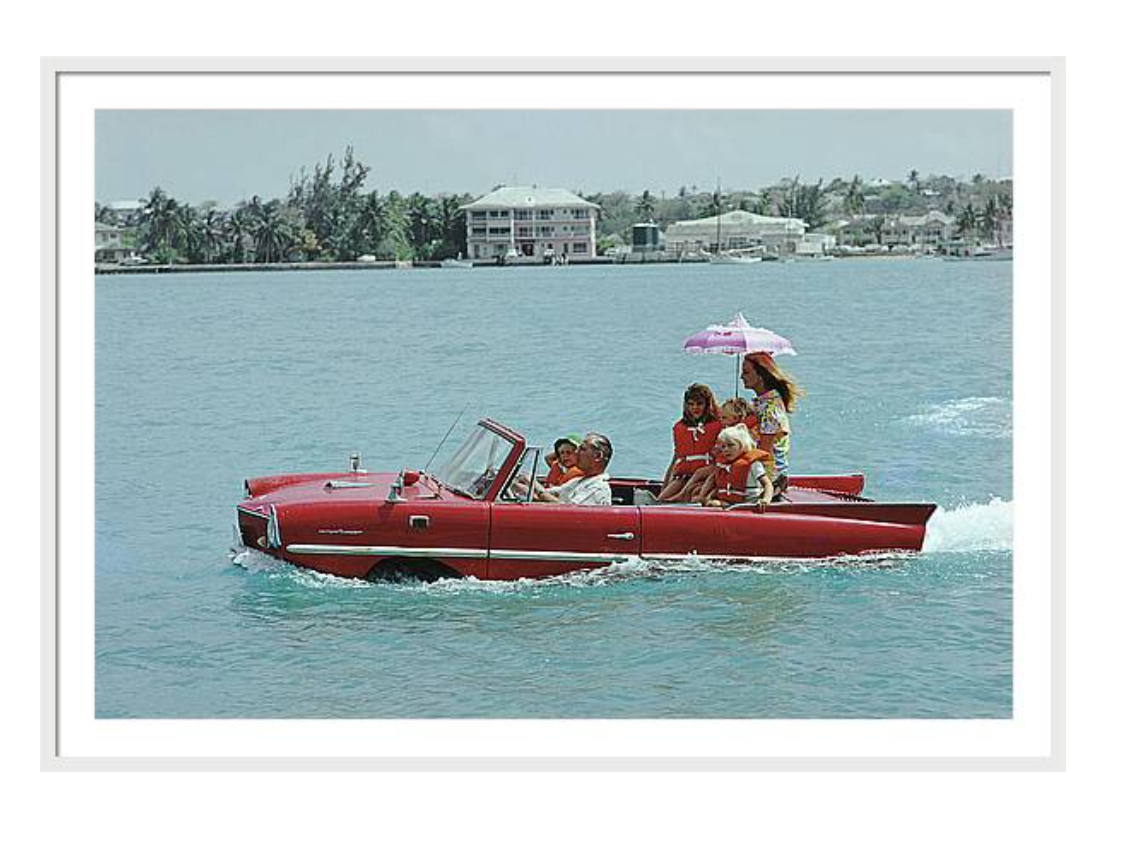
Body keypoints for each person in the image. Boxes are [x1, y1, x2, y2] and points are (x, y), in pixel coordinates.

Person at [741, 351, 803, 497]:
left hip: (769, 478)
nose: (741, 377)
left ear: (761, 376)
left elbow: (764, 452)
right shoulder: (762, 404)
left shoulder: (770, 409)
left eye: (746, 372)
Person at [658, 383, 722, 502]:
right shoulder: (680, 427)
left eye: (699, 404)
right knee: (661, 500)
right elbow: (676, 459)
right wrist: (665, 485)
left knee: (692, 493)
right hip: (683, 477)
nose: (695, 408)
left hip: (706, 477)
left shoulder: (718, 425)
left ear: (707, 404)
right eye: (691, 404)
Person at [522, 433, 614, 505]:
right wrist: (520, 485)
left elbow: (569, 509)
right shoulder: (578, 481)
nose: (576, 452)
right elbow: (552, 493)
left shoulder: (598, 488)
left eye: (582, 449)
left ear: (597, 456)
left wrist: (535, 486)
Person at [700, 424, 773, 508]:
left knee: (714, 504)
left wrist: (765, 500)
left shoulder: (753, 464)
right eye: (723, 447)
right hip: (728, 501)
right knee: (711, 503)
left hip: (749, 502)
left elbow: (767, 484)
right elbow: (711, 480)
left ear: (742, 445)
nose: (726, 449)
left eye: (731, 445)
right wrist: (702, 496)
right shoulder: (722, 465)